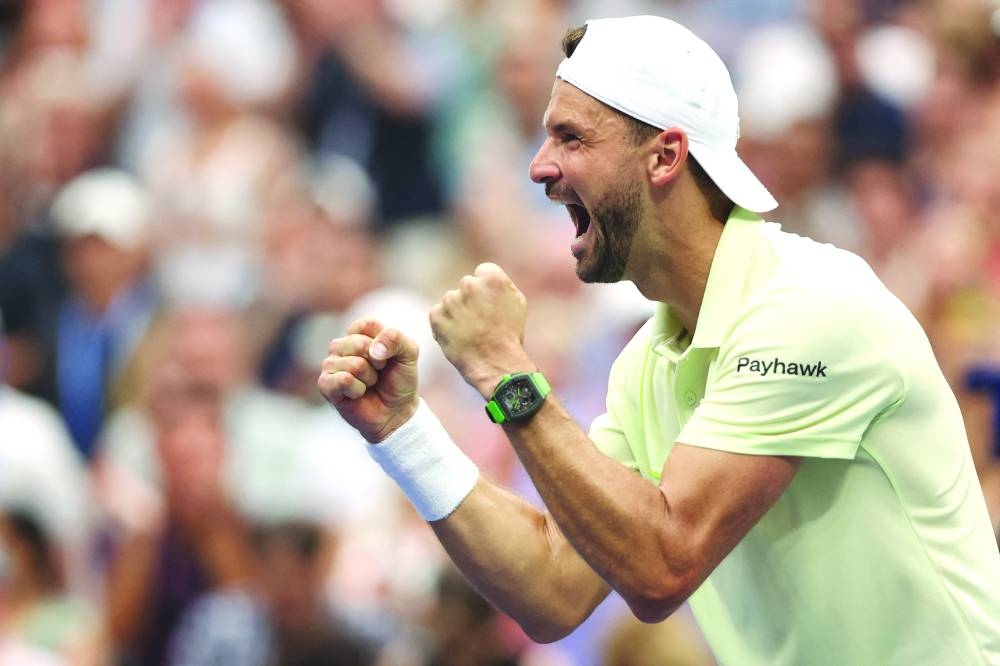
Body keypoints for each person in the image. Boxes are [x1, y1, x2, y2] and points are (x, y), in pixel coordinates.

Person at [318, 15, 1000, 666]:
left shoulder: (807, 308)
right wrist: (404, 432)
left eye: (571, 138)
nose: (539, 168)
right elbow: (554, 588)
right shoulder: (648, 360)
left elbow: (661, 565)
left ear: (666, 155)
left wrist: (504, 372)